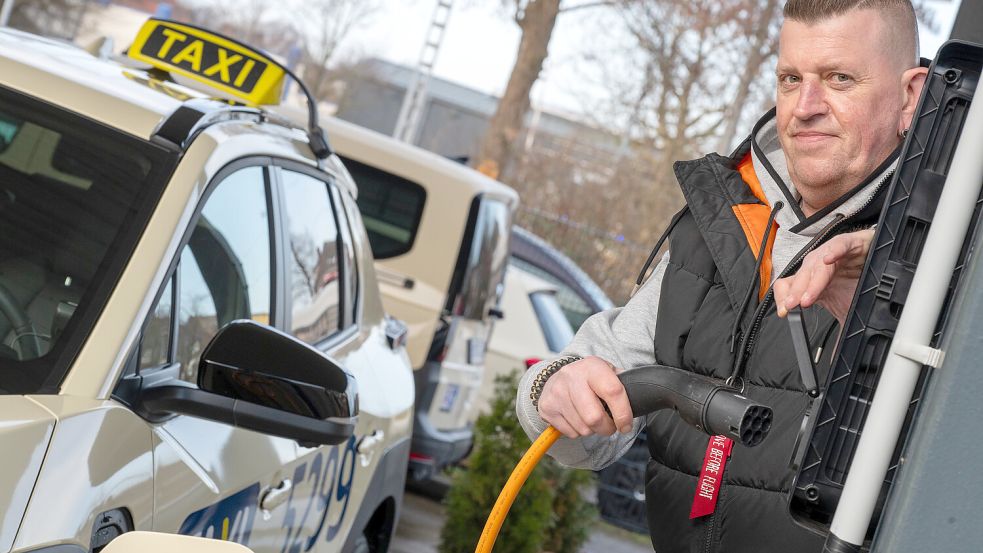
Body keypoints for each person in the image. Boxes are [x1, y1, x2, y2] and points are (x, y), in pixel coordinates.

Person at [516, 1, 929, 551]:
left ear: (912, 96)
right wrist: (553, 387)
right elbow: (593, 414)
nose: (805, 106)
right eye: (790, 78)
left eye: (839, 79)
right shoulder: (721, 219)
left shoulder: (951, 256)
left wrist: (892, 311)